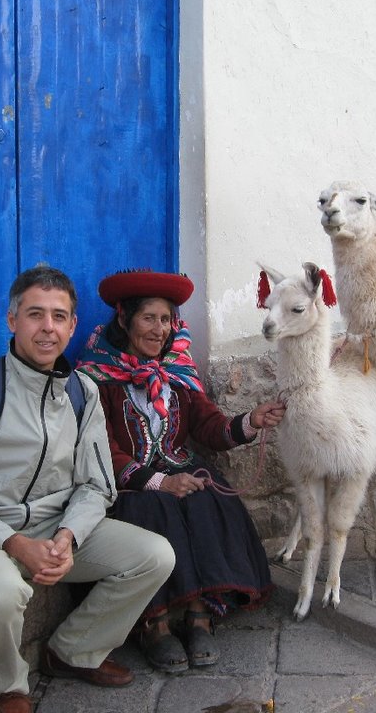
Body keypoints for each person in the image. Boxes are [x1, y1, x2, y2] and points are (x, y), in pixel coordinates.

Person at [0, 266, 176, 713]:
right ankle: (10, 687)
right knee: (0, 593)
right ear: (12, 319)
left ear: (73, 325)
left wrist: (68, 536)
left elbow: (96, 484)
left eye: (59, 317)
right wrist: (16, 544)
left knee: (154, 555)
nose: (47, 328)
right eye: (35, 314)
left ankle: (72, 652)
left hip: (54, 526)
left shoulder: (82, 392)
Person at [76, 269, 286, 673]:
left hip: (178, 468)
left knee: (205, 496)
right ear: (124, 320)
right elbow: (102, 448)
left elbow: (209, 427)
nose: (159, 330)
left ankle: (198, 614)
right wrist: (160, 482)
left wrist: (250, 421)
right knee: (156, 509)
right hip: (128, 483)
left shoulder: (177, 373)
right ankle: (153, 625)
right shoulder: (96, 377)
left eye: (166, 320)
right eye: (148, 318)